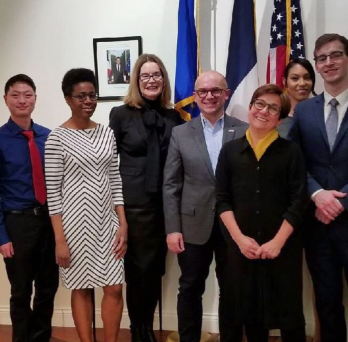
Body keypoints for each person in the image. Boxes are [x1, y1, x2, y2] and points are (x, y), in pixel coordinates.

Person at [216, 84, 308, 342]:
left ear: (280, 118)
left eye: (273, 108)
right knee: (251, 317)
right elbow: (222, 200)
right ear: (250, 107)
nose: (264, 111)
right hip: (243, 248)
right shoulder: (230, 151)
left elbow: (298, 201)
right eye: (260, 104)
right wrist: (240, 239)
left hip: (282, 250)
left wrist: (277, 243)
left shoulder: (291, 153)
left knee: (289, 316)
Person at [163, 70, 248, 342]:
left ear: (226, 93)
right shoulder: (180, 133)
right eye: (203, 92)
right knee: (190, 287)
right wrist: (173, 228)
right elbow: (171, 184)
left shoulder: (244, 130)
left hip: (232, 226)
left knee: (232, 288)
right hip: (191, 224)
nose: (209, 96)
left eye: (215, 90)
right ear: (195, 97)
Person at [45, 68, 127, 342]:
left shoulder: (107, 133)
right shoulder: (56, 138)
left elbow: (115, 179)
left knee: (114, 287)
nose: (88, 101)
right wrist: (59, 239)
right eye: (81, 96)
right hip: (74, 227)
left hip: (108, 223)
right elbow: (53, 192)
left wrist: (123, 223)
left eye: (92, 95)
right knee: (80, 287)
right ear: (68, 99)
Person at [109, 54, 182, 342]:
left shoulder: (173, 117)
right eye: (145, 76)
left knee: (154, 272)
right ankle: (138, 329)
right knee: (137, 271)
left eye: (156, 75)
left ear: (163, 80)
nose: (151, 80)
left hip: (164, 206)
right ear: (136, 81)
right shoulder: (120, 114)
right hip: (134, 205)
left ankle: (147, 327)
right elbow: (108, 164)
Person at [289, 33, 348, 342]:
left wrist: (339, 202)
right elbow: (297, 163)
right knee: (326, 301)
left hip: (346, 215)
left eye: (336, 55)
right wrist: (317, 194)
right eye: (322, 58)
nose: (329, 63)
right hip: (318, 224)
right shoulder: (305, 111)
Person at [0, 74, 58, 342]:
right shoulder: (1, 139)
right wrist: (2, 237)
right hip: (17, 224)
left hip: (49, 222)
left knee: (48, 287)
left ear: (35, 98)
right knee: (21, 291)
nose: (22, 100)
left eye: (27, 94)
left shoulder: (49, 137)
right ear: (5, 100)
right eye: (15, 95)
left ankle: (41, 338)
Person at [277, 58, 316, 138]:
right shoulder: (275, 117)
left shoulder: (322, 114)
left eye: (307, 77)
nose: (302, 83)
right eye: (295, 78)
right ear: (285, 81)